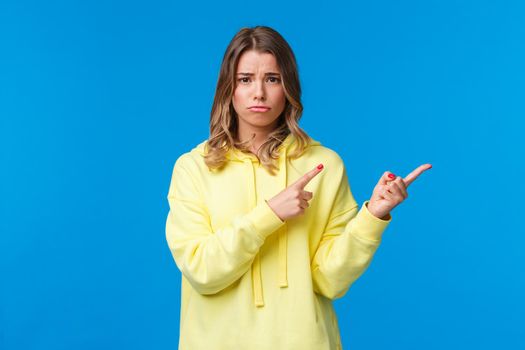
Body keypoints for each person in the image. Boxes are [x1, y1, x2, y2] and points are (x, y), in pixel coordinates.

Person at [165, 25, 431, 350]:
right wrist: (269, 214)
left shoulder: (324, 165)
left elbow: (329, 281)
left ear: (288, 86)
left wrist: (372, 216)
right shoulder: (193, 168)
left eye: (272, 79)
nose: (259, 92)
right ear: (228, 88)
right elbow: (202, 271)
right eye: (245, 79)